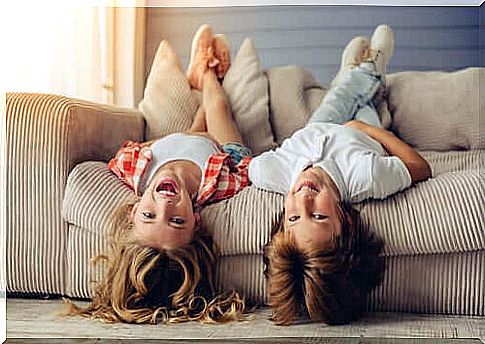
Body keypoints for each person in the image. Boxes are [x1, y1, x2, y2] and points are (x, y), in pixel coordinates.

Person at [65, 24, 249, 324]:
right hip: (218, 150)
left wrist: (156, 148)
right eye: (177, 220)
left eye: (149, 216)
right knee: (216, 106)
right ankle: (207, 74)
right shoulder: (214, 185)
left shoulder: (136, 173)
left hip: (176, 141)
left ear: (134, 209)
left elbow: (120, 155)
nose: (164, 204)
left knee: (191, 129)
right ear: (195, 218)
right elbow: (245, 173)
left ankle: (200, 76)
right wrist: (228, 151)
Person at [260, 25, 432, 325]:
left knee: (334, 102)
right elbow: (420, 168)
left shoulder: (271, 172)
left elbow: (247, 165)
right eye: (319, 217)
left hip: (318, 126)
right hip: (362, 134)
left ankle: (355, 74)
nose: (303, 200)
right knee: (365, 107)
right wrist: (367, 130)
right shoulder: (367, 176)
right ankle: (370, 70)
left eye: (293, 218)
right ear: (346, 221)